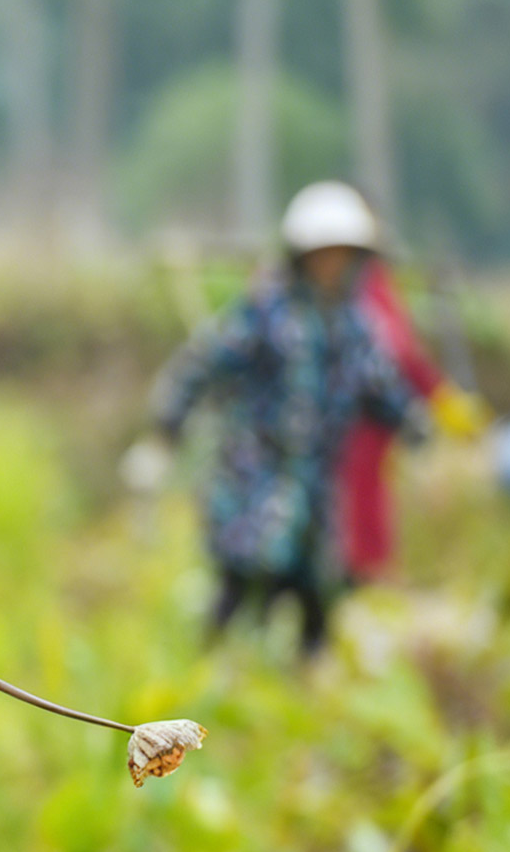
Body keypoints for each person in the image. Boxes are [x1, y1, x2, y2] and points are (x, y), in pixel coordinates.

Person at [147, 181, 423, 658]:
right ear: (301, 256)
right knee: (244, 585)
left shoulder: (357, 327)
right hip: (259, 475)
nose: (331, 266)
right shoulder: (265, 313)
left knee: (317, 596)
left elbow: (384, 390)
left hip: (316, 483)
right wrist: (168, 422)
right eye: (322, 255)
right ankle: (209, 679)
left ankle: (303, 691)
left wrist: (417, 423)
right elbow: (203, 363)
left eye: (341, 255)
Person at [336, 257, 492, 584]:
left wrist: (440, 397)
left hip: (368, 420)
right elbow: (401, 351)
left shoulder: (366, 279)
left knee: (363, 503)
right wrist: (438, 395)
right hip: (344, 420)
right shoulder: (351, 283)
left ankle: (363, 579)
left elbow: (402, 350)